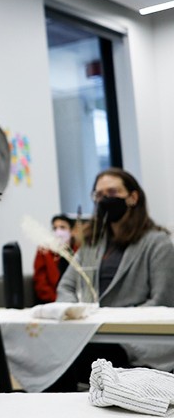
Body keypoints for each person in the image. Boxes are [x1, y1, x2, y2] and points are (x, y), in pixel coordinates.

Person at [49, 167, 174, 391]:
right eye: (99, 195)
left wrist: (110, 320)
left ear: (133, 198)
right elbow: (66, 286)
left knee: (70, 360)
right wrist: (75, 312)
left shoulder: (158, 243)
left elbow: (161, 301)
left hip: (136, 339)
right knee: (51, 353)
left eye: (113, 192)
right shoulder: (92, 243)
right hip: (91, 333)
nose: (105, 199)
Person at [33, 214, 75, 304]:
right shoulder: (44, 251)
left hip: (77, 301)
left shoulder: (79, 251)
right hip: (52, 302)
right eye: (55, 228)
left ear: (71, 231)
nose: (58, 232)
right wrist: (58, 301)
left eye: (62, 227)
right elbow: (41, 284)